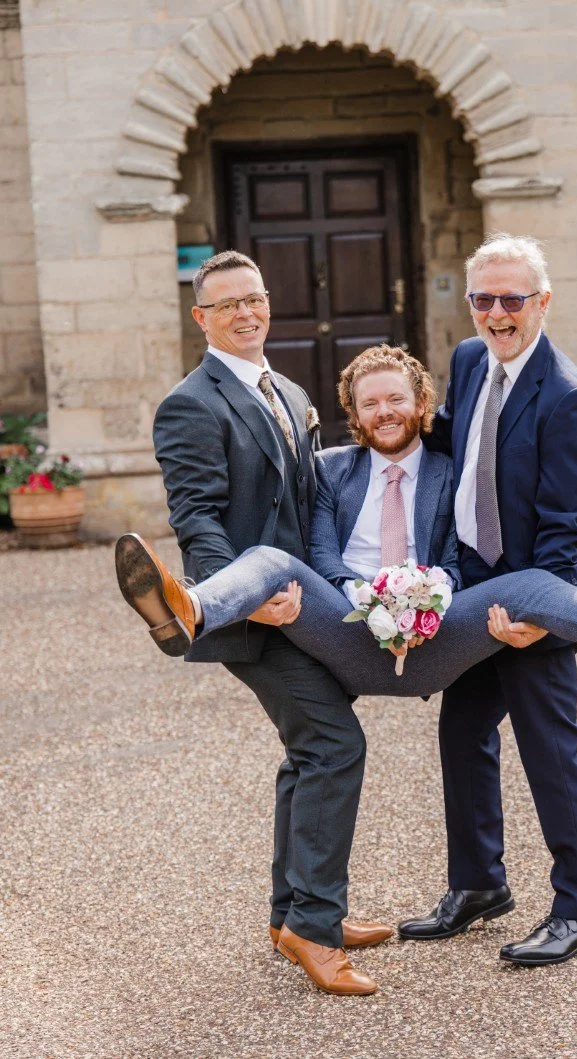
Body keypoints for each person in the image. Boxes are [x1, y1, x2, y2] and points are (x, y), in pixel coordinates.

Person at [119, 345, 577, 713]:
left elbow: (462, 558)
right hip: (345, 630)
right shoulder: (332, 472)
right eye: (370, 403)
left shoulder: (451, 472)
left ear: (420, 402)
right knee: (270, 559)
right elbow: (325, 558)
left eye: (395, 399)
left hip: (439, 635)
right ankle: (190, 610)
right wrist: (372, 602)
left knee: (527, 582)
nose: (384, 412)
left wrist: (424, 603)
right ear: (353, 416)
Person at [149, 249, 392, 999]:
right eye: (227, 305)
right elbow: (197, 518)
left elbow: (308, 501)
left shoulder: (286, 389)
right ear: (202, 318)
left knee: (306, 748)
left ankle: (293, 914)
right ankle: (318, 929)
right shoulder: (190, 403)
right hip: (249, 617)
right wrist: (244, 594)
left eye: (253, 298)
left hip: (306, 604)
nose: (246, 313)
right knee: (333, 741)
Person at [397, 232, 577, 966]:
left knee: (549, 749)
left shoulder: (570, 396)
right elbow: (458, 442)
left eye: (512, 298)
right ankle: (478, 885)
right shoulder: (471, 361)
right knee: (462, 732)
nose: (497, 313)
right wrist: (397, 425)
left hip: (534, 594)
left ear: (543, 302)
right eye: (484, 298)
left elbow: (565, 525)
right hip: (471, 585)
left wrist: (539, 618)